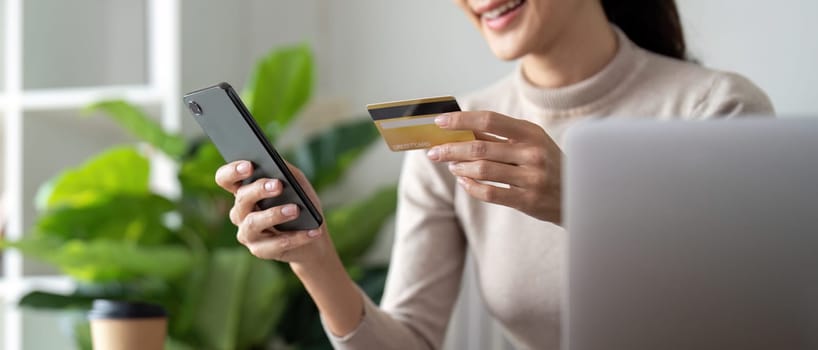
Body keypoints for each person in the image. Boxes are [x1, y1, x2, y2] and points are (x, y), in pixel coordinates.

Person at [215, 0, 773, 348]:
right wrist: (314, 259)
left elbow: (753, 319)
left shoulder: (718, 110)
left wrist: (588, 203)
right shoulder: (446, 133)